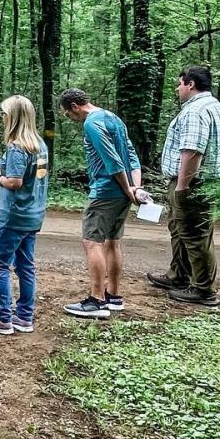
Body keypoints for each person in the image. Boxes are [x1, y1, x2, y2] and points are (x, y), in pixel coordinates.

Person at [147, 66, 220, 308]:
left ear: (190, 84)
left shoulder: (195, 111)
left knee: (195, 235)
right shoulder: (215, 107)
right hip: (204, 182)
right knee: (180, 229)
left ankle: (203, 290)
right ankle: (179, 276)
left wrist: (183, 185)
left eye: (179, 84)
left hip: (193, 182)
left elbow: (193, 150)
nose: (177, 89)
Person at [58, 88, 146, 319]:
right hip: (123, 192)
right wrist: (135, 187)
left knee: (92, 242)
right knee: (112, 241)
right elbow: (131, 154)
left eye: (68, 114)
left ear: (75, 107)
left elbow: (112, 159)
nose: (71, 119)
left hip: (106, 191)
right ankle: (114, 296)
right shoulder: (113, 117)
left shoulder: (91, 123)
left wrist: (128, 188)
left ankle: (96, 300)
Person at [0, 95, 48, 336]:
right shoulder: (39, 144)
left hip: (14, 216)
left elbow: (14, 181)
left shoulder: (17, 146)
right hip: (34, 214)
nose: (1, 118)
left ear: (12, 117)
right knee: (25, 266)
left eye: (3, 114)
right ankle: (24, 316)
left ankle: (2, 317)